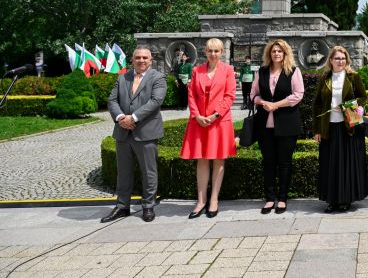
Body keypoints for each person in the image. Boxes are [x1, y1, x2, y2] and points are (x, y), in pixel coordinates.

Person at [102, 47, 166, 223]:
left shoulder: (158, 78)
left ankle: (148, 206)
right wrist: (121, 118)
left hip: (146, 132)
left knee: (149, 172)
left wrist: (134, 117)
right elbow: (112, 100)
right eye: (138, 57)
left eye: (145, 57)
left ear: (150, 60)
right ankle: (122, 206)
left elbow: (156, 101)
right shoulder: (122, 77)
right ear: (132, 60)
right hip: (123, 132)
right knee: (123, 172)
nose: (141, 60)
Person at [180, 38, 237, 218]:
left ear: (222, 52)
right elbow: (191, 95)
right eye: (210, 50)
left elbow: (229, 96)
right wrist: (197, 115)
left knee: (219, 160)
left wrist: (215, 115)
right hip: (199, 122)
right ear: (205, 52)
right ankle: (201, 201)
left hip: (219, 122)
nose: (213, 54)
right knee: (202, 160)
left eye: (216, 51)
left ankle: (214, 200)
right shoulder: (196, 70)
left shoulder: (228, 70)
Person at [250, 40, 305, 214]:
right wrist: (262, 102)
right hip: (264, 125)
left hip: (287, 124)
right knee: (268, 162)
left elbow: (298, 95)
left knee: (284, 163)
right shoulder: (261, 71)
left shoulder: (293, 71)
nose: (276, 54)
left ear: (285, 53)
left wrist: (276, 105)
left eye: (280, 51)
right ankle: (269, 198)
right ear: (269, 53)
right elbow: (253, 95)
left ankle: (282, 198)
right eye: (273, 51)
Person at [312, 46, 368, 212]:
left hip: (347, 127)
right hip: (328, 127)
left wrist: (346, 106)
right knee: (330, 165)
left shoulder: (353, 77)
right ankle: (332, 200)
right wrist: (317, 130)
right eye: (337, 58)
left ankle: (345, 200)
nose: (340, 61)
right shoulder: (325, 78)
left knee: (346, 164)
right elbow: (317, 104)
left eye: (343, 58)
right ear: (331, 60)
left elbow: (363, 97)